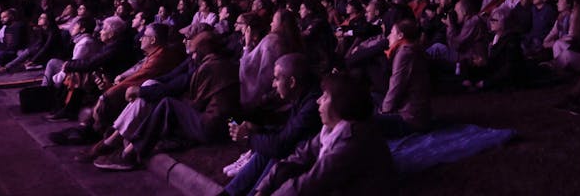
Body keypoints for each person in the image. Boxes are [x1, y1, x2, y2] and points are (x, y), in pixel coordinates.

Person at [93, 31, 240, 171]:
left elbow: (198, 103)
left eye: (195, 52)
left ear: (204, 51)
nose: (193, 57)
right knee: (165, 102)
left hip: (212, 128)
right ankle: (128, 146)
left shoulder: (209, 68)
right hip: (226, 124)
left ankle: (130, 155)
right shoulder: (224, 64)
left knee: (167, 104)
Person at [252, 74, 396, 196]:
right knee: (283, 171)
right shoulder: (331, 130)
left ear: (341, 104)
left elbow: (311, 182)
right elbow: (300, 156)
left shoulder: (352, 140)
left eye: (325, 97)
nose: (318, 100)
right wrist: (263, 187)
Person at [220, 54, 322, 196]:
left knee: (274, 154)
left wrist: (248, 137)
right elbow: (285, 134)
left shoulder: (312, 105)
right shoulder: (303, 94)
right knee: (267, 149)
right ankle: (228, 193)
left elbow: (281, 146)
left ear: (292, 82)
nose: (273, 84)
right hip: (292, 153)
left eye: (276, 79)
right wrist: (257, 130)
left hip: (308, 166)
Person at [377, 18, 432, 136]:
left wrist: (384, 111)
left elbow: (396, 86)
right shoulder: (413, 48)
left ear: (400, 35)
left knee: (364, 123)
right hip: (416, 113)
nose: (389, 36)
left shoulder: (405, 53)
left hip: (409, 118)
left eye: (392, 32)